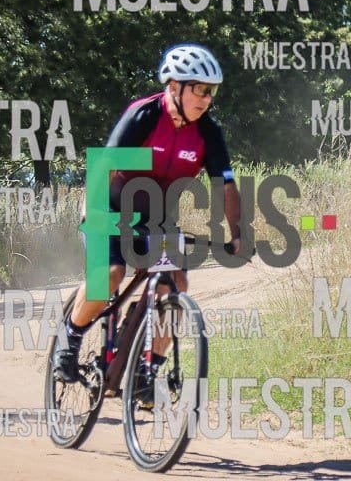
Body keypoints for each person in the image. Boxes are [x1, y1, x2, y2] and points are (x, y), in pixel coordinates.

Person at [53, 44, 243, 396]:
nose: (206, 99)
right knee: (111, 274)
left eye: (211, 91)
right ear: (174, 87)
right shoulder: (145, 116)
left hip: (158, 219)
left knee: (175, 285)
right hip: (110, 206)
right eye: (200, 89)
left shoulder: (207, 132)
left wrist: (237, 235)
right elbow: (106, 165)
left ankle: (146, 371)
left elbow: (225, 185)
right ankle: (70, 338)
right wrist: (94, 212)